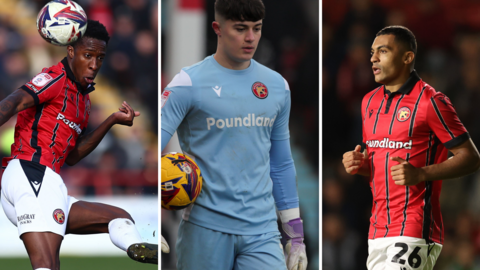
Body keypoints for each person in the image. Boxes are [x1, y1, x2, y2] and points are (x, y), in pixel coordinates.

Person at [160, 0, 307, 269]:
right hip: (205, 229)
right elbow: (154, 145)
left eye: (257, 28)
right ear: (217, 27)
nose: (250, 38)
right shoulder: (187, 83)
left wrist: (295, 234)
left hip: (262, 231)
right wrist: (150, 217)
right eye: (240, 29)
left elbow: (282, 162)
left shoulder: (277, 87)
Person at [0, 20, 158, 269]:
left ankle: (138, 248)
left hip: (49, 182)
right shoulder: (54, 78)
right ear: (71, 51)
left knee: (120, 218)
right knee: (46, 265)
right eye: (88, 55)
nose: (94, 65)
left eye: (100, 58)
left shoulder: (83, 102)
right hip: (30, 172)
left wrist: (112, 120)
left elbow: (72, 156)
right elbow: (11, 103)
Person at [342, 25, 480, 270]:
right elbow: (384, 166)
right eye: (372, 51)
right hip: (377, 228)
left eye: (382, 51)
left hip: (415, 225)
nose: (373, 58)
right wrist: (361, 165)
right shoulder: (368, 102)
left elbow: (470, 157)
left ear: (407, 57)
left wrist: (421, 173)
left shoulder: (431, 101)